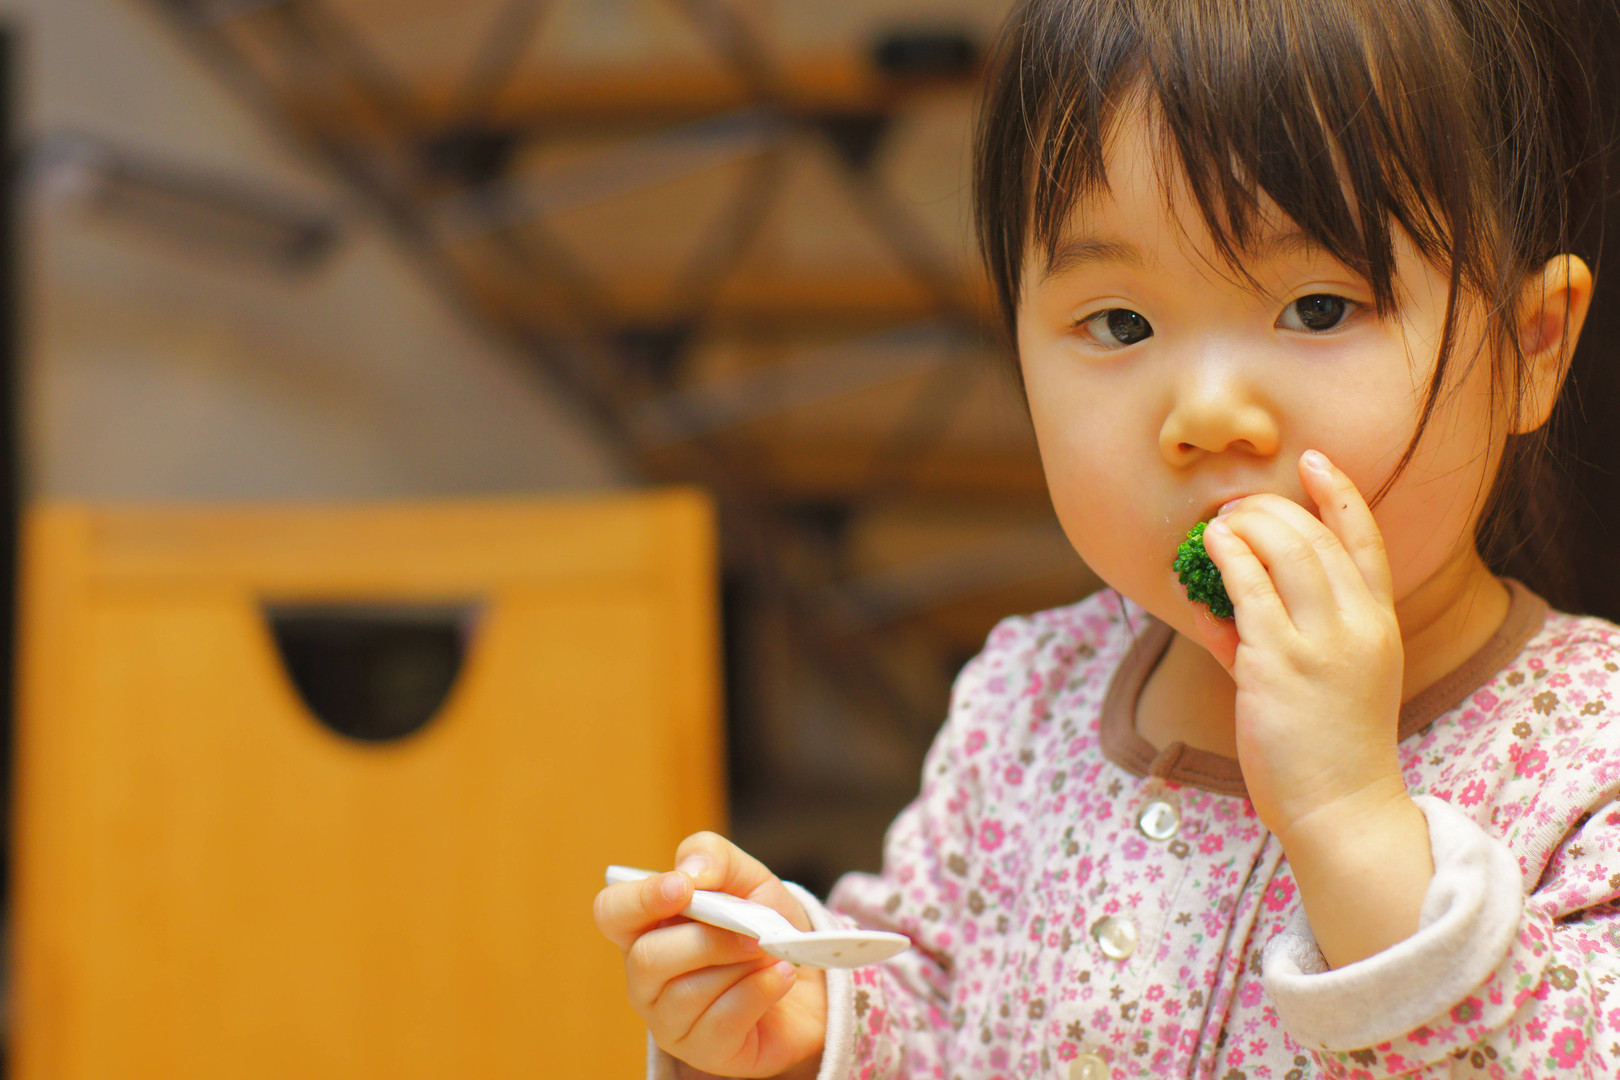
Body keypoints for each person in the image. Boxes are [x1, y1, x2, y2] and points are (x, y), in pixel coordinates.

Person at [593, 0, 1620, 1075]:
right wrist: (805, 1022)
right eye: (1120, 324)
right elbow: (940, 1011)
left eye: (1318, 308)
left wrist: (1353, 818)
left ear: (1533, 345)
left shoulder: (1584, 756)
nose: (1208, 413)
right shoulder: (1027, 704)